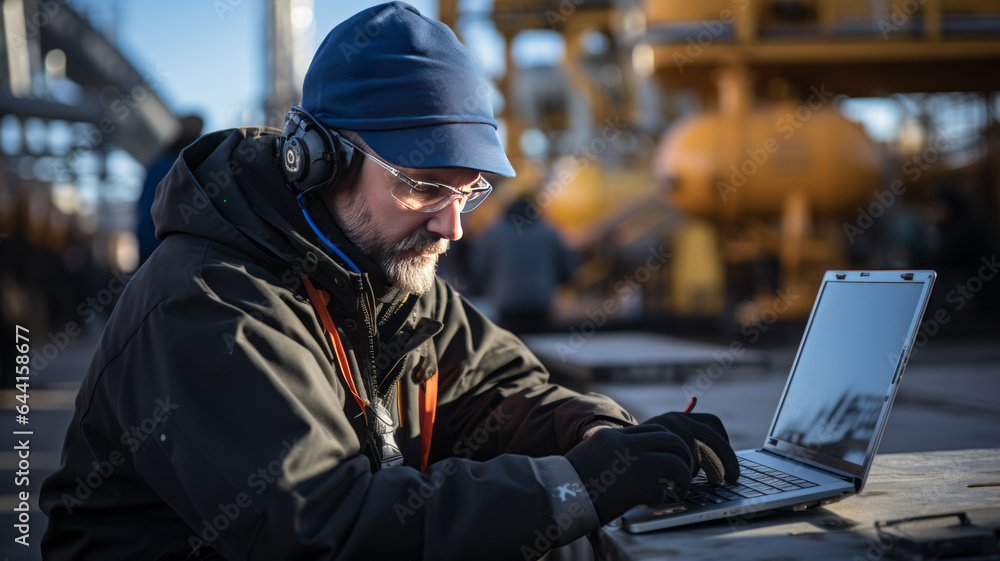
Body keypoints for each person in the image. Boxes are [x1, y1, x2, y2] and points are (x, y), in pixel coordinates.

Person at [39, 3, 739, 559]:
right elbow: (325, 526)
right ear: (315, 158)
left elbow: (502, 390)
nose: (451, 227)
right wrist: (581, 483)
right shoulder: (208, 305)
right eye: (425, 186)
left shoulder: (389, 277)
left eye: (469, 193)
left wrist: (604, 436)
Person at [473, 196, 577, 333]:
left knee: (510, 346)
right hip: (539, 303)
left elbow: (479, 268)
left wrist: (482, 289)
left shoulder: (495, 233)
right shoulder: (549, 233)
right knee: (539, 349)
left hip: (506, 303)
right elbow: (567, 269)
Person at [136, 114, 204, 265]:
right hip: (190, 256)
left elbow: (143, 210)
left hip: (153, 250)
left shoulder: (157, 164)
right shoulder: (201, 163)